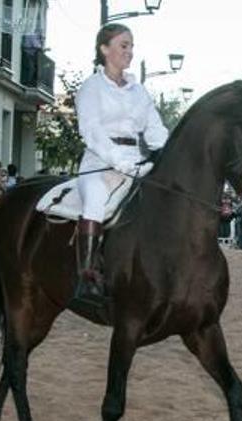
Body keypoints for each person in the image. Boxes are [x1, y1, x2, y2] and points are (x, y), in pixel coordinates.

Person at [72, 23, 168, 303]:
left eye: (131, 46)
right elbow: (92, 132)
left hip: (137, 162)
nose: (129, 51)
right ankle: (86, 275)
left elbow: (155, 129)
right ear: (105, 49)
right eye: (123, 45)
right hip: (99, 162)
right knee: (96, 199)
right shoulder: (91, 87)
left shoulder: (139, 91)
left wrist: (166, 152)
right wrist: (122, 162)